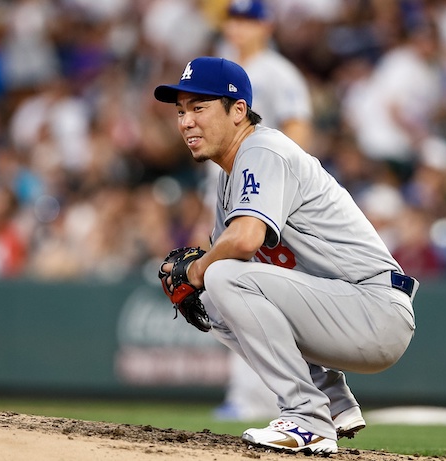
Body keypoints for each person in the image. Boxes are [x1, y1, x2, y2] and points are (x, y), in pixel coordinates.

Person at [154, 56, 418, 455]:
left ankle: (306, 417)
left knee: (220, 276)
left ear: (238, 110)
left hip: (374, 307)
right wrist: (199, 274)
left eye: (199, 107)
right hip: (341, 307)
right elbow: (237, 257)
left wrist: (198, 268)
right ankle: (331, 400)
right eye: (181, 111)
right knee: (213, 291)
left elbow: (243, 241)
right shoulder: (230, 178)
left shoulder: (263, 149)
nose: (186, 121)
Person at [212, 0, 315, 421]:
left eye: (247, 20)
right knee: (230, 292)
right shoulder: (220, 70)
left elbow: (298, 127)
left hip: (264, 196)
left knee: (244, 289)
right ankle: (259, 394)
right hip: (227, 191)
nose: (239, 28)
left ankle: (264, 396)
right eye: (233, 20)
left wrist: (284, 189)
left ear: (266, 26)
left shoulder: (278, 72)